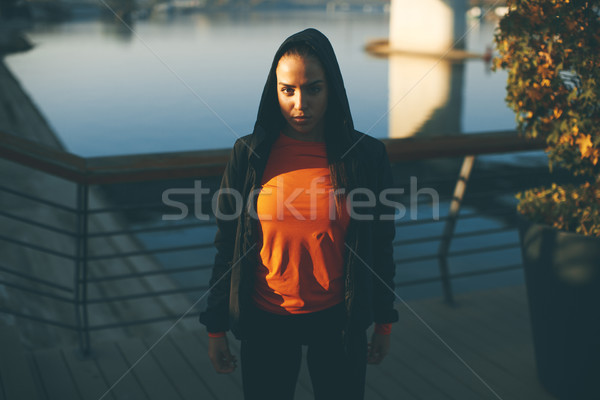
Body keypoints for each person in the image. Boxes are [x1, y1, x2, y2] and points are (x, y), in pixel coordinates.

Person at [199, 28, 399, 400]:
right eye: (287, 90)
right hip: (265, 321)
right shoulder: (249, 155)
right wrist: (215, 328)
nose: (300, 103)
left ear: (332, 89)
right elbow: (227, 246)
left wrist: (384, 321)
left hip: (339, 321)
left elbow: (381, 245)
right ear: (273, 90)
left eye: (314, 89)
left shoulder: (365, 157)